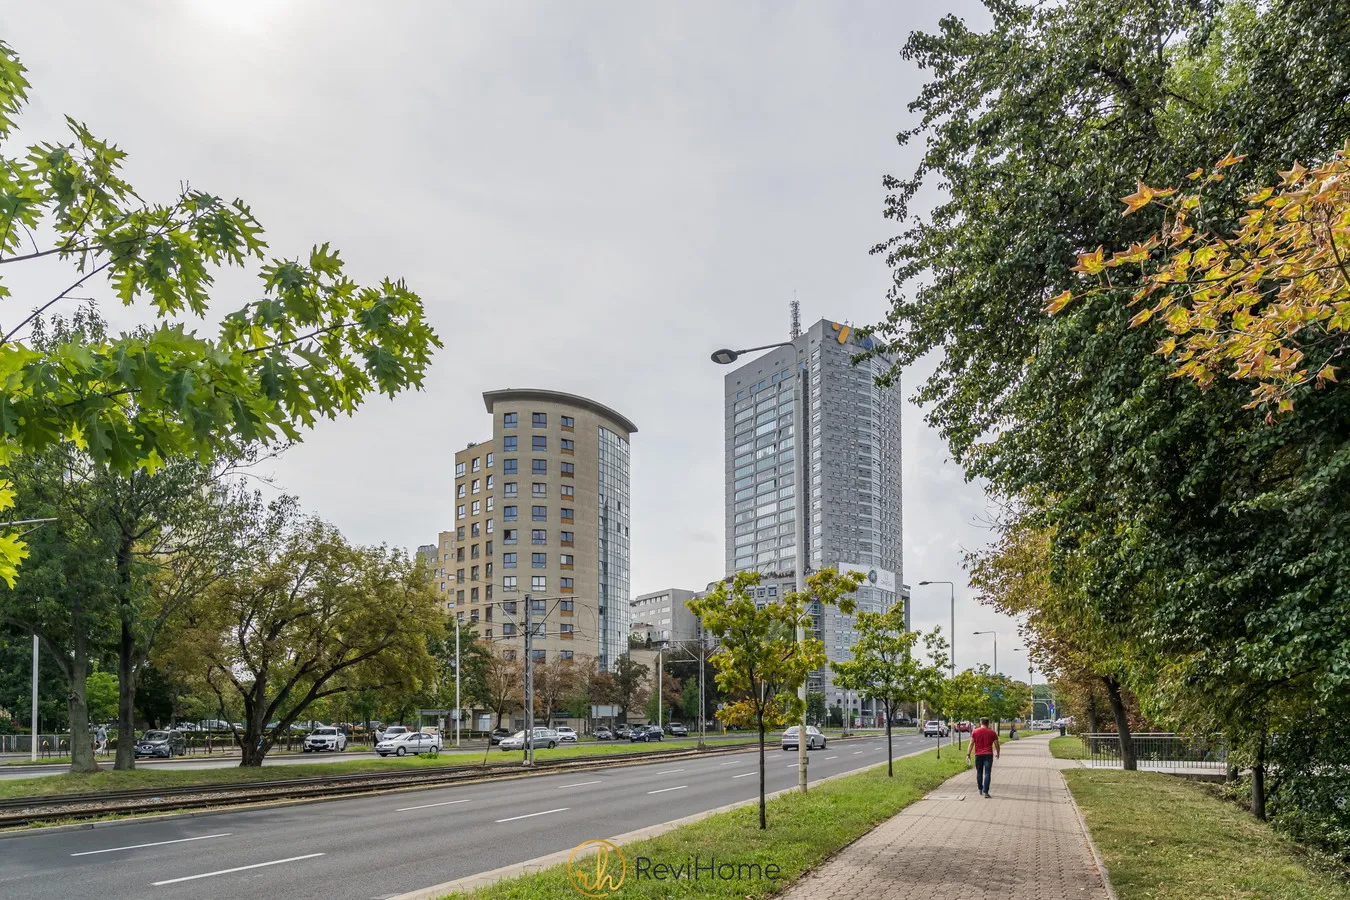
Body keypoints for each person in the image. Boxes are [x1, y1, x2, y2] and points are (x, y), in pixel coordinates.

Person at [967, 717, 1000, 798]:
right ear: (988, 723)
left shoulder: (975, 731)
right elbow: (996, 744)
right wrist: (998, 753)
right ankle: (986, 792)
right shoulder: (992, 732)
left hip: (978, 755)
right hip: (988, 755)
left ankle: (980, 789)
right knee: (987, 773)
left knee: (979, 772)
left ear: (980, 723)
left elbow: (971, 743)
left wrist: (968, 754)